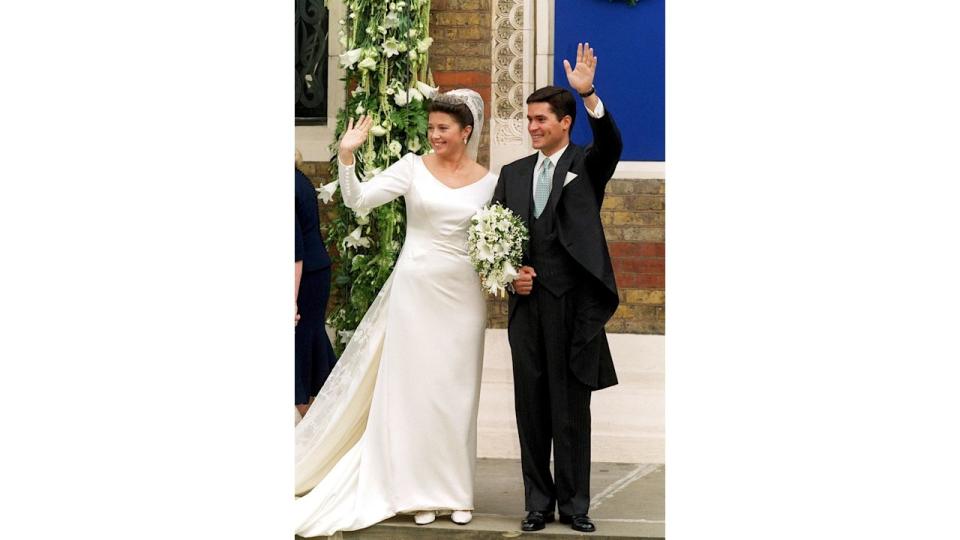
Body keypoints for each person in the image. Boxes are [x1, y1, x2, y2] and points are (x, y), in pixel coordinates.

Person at [293, 89, 497, 536]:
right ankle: (416, 490)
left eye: (443, 129)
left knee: (457, 394)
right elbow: (358, 200)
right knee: (416, 392)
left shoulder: (490, 181)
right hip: (415, 290)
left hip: (463, 296)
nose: (435, 136)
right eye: (431, 129)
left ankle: (456, 491)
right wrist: (347, 158)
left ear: (467, 131)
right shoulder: (412, 168)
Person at [491, 43, 623, 534]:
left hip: (573, 308)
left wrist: (589, 95)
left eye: (541, 119)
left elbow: (611, 144)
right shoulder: (512, 174)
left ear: (565, 122)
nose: (532, 127)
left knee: (571, 409)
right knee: (531, 406)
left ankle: (574, 504)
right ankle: (536, 501)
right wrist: (511, 274)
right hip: (527, 309)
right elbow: (496, 240)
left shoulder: (587, 165)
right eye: (528, 120)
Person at [295, 148, 338, 418]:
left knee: (300, 348)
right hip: (312, 273)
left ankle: (320, 424)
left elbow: (294, 251)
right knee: (306, 346)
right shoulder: (298, 178)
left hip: (304, 277)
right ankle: (322, 420)